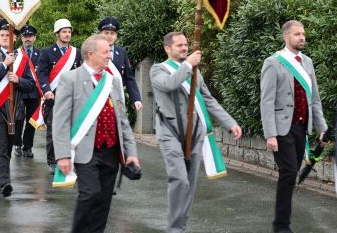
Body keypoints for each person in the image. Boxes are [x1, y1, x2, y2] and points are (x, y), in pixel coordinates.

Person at [150, 32, 242, 233]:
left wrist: (229, 123)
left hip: (195, 132)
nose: (185, 48)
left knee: (189, 184)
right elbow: (169, 84)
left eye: (186, 44)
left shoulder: (194, 71)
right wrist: (188, 65)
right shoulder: (158, 69)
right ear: (168, 49)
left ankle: (180, 228)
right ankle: (174, 229)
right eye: (180, 45)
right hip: (170, 132)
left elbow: (207, 99)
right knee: (179, 179)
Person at [54, 34, 139, 233]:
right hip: (85, 150)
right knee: (90, 194)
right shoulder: (70, 79)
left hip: (111, 150)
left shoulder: (112, 81)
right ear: (90, 54)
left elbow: (122, 121)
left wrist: (132, 153)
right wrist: (62, 155)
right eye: (106, 52)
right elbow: (60, 120)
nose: (110, 55)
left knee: (104, 200)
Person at [260, 20, 328, 233]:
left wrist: (322, 128)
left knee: (291, 173)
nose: (302, 37)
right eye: (297, 34)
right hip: (281, 129)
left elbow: (314, 99)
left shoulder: (307, 62)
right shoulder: (273, 63)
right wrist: (270, 134)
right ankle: (281, 226)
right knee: (288, 172)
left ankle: (282, 223)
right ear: (286, 37)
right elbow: (266, 101)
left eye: (303, 34)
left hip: (302, 128)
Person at [0, 19, 35, 197]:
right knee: (2, 145)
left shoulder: (23, 59)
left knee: (9, 147)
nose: (5, 37)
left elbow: (31, 85)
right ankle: (6, 183)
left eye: (8, 35)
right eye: (2, 35)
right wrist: (4, 65)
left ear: (15, 38)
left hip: (16, 110)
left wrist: (18, 80)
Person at [37, 18, 82, 174]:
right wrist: (46, 90)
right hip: (53, 97)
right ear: (57, 33)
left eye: (69, 32)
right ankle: (52, 161)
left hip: (72, 97)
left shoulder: (76, 53)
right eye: (64, 32)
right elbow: (41, 73)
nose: (67, 34)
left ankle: (70, 160)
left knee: (72, 130)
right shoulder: (46, 52)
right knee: (53, 131)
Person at [98, 17, 142, 111]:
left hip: (117, 100)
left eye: (112, 33)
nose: (109, 36)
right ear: (100, 35)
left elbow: (129, 78)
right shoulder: (93, 52)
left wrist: (136, 99)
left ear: (116, 36)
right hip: (98, 100)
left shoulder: (122, 52)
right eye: (106, 33)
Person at [13, 24, 41, 158]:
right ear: (21, 38)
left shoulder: (40, 54)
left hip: (34, 92)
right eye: (25, 36)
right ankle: (17, 144)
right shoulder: (15, 53)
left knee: (32, 121)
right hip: (19, 90)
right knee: (18, 119)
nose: (28, 39)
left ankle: (28, 147)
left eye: (30, 36)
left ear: (34, 38)